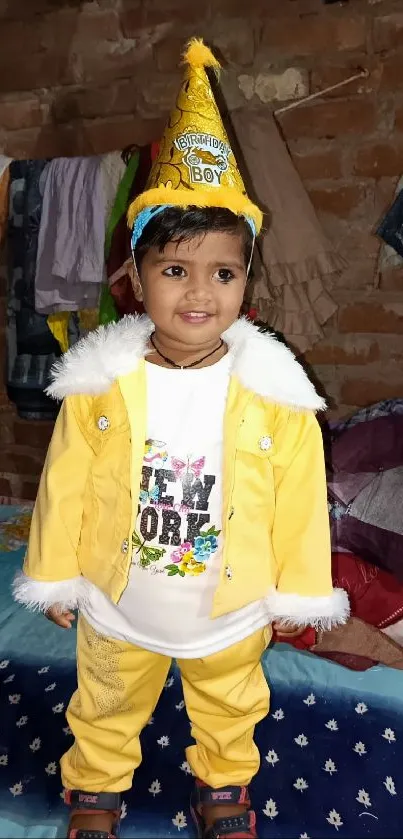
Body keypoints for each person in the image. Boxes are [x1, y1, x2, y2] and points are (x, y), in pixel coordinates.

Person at [13, 39, 349, 839]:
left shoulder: (274, 394)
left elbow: (301, 502)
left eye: (223, 273)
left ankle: (223, 786)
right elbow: (62, 483)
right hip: (119, 600)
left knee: (231, 705)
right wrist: (55, 575)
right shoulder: (101, 385)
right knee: (103, 701)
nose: (199, 292)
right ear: (135, 276)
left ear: (247, 282)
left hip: (227, 607)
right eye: (175, 270)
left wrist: (291, 593)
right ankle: (94, 789)